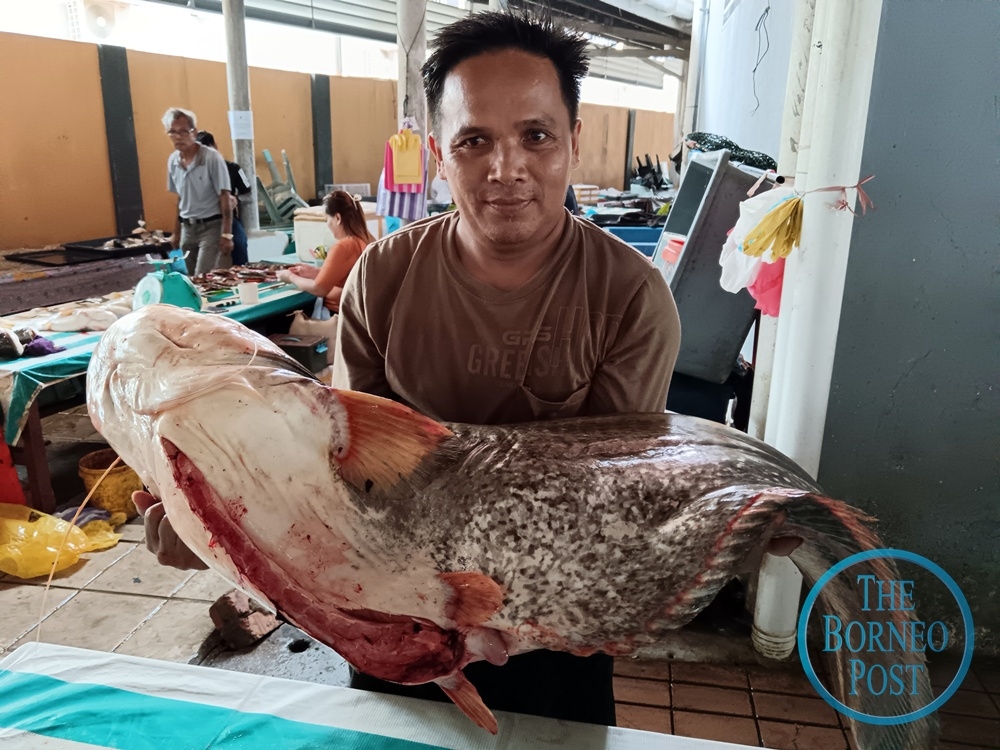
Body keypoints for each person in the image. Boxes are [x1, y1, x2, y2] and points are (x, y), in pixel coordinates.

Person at [134, 9, 798, 729]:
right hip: (393, 622)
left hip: (555, 634)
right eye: (474, 139)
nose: (505, 167)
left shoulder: (630, 298)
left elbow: (607, 504)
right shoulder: (384, 276)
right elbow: (343, 478)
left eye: (535, 136)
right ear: (441, 155)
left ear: (573, 143)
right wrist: (221, 524)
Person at [275, 191, 374, 315]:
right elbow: (346, 280)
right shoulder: (367, 240)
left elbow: (318, 289)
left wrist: (290, 277)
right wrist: (314, 273)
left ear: (337, 218)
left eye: (327, 219)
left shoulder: (344, 246)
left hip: (341, 317)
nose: (327, 225)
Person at [163, 107, 234, 276]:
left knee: (203, 276)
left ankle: (208, 303)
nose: (178, 137)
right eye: (172, 132)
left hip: (211, 226)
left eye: (183, 131)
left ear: (194, 132)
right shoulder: (173, 161)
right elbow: (180, 199)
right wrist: (176, 233)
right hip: (188, 227)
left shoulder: (211, 157)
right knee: (190, 277)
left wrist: (227, 234)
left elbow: (224, 197)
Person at [195, 130, 252, 266]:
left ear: (215, 146)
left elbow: (248, 192)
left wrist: (236, 199)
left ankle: (242, 273)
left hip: (229, 220)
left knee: (239, 242)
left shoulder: (233, 168)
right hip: (203, 222)